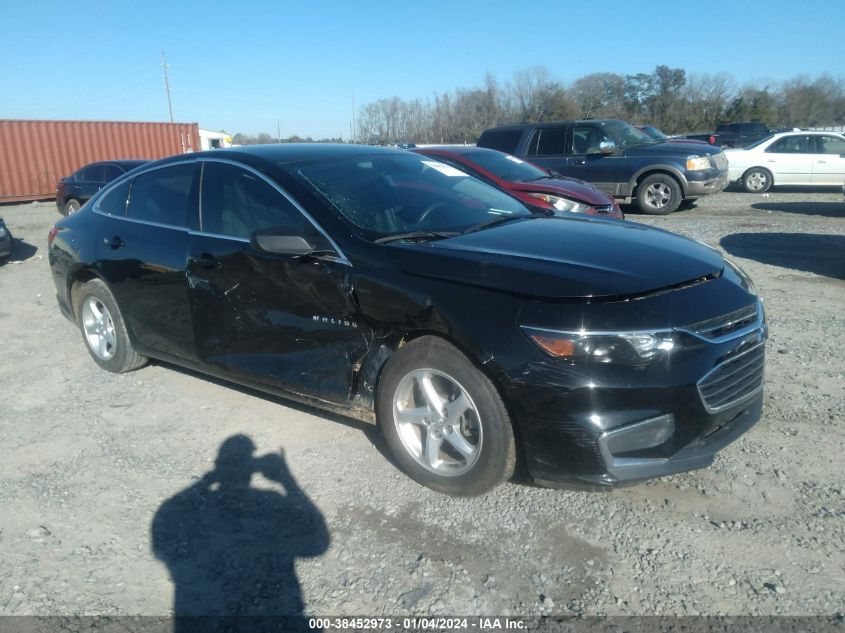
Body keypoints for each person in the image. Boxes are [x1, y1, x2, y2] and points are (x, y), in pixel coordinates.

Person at [152, 435, 329, 632]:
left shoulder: (197, 510)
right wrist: (287, 480)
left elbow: (168, 517)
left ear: (219, 464)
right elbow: (318, 542)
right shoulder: (271, 501)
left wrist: (208, 480)